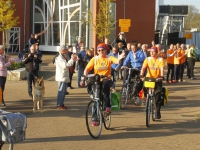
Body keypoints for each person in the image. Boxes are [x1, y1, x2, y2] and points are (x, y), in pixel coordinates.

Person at [83, 43, 125, 114]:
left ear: (105, 50)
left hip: (106, 79)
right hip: (97, 79)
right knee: (96, 97)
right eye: (99, 50)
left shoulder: (109, 58)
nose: (101, 52)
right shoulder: (94, 59)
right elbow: (87, 69)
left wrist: (120, 58)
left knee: (105, 89)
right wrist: (85, 76)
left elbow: (117, 61)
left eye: (102, 50)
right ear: (97, 51)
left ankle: (107, 106)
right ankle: (95, 117)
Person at [140, 46, 164, 119]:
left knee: (158, 95)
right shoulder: (148, 59)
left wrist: (161, 76)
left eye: (153, 51)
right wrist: (141, 75)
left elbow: (162, 68)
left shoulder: (160, 59)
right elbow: (143, 68)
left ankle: (157, 111)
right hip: (149, 78)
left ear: (157, 52)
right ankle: (145, 100)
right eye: (150, 51)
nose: (151, 53)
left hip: (157, 79)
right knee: (144, 88)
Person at [55, 45, 77, 110]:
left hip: (63, 76)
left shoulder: (63, 57)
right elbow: (66, 65)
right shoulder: (59, 58)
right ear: (63, 51)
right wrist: (72, 59)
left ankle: (61, 104)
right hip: (61, 77)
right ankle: (59, 105)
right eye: (66, 50)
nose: (67, 51)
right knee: (61, 91)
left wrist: (73, 60)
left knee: (63, 91)